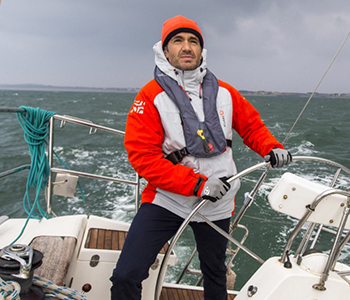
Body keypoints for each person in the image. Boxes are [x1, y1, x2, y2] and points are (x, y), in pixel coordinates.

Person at [110, 15, 292, 300]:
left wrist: (272, 147)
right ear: (165, 50)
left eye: (193, 41)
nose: (186, 47)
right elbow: (143, 158)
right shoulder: (150, 97)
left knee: (215, 273)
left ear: (201, 50)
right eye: (178, 41)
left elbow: (252, 126)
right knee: (126, 274)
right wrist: (196, 184)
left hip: (217, 201)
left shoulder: (226, 93)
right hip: (168, 198)